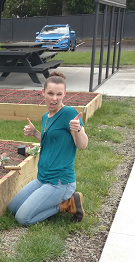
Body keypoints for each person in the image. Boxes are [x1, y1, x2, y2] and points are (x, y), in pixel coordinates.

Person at [7, 71, 88, 225]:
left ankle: (66, 204)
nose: (54, 98)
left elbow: (82, 145)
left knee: (23, 218)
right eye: (50, 93)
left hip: (60, 182)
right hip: (42, 178)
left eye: (59, 94)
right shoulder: (46, 116)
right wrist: (35, 133)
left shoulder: (69, 113)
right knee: (12, 208)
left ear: (65, 94)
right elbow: (49, 141)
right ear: (43, 92)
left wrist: (77, 129)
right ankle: (56, 201)